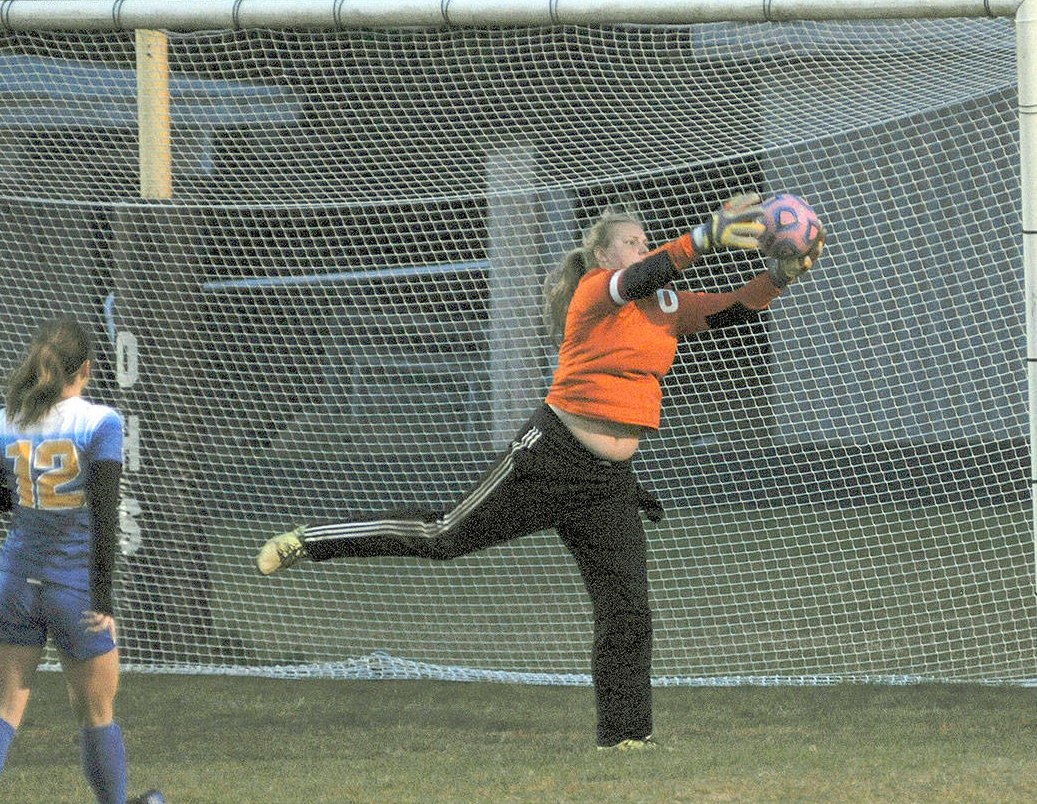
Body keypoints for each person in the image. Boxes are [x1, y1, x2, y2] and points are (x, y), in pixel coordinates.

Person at [256, 192, 823, 750]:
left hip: (607, 483)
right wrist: (700, 239)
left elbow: (733, 308)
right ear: (602, 255)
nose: (642, 247)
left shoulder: (666, 305)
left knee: (626, 607)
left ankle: (626, 738)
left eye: (646, 240)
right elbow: (640, 277)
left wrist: (780, 275)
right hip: (550, 457)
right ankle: (310, 541)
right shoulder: (597, 290)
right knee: (444, 535)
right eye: (632, 241)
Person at [0, 317, 164, 804]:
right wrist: (103, 602)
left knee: (0, 711)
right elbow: (106, 516)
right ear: (85, 369)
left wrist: (28, 494)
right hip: (73, 590)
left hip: (14, 583)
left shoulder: (6, 421)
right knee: (96, 713)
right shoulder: (101, 422)